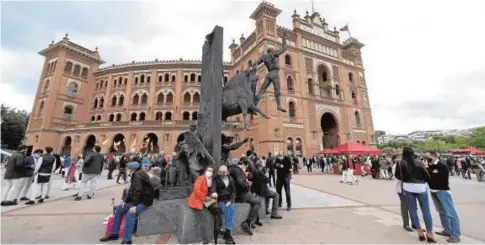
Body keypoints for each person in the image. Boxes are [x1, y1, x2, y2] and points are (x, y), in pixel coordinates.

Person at [100, 161, 155, 244]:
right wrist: (125, 200)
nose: (128, 171)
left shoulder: (138, 175)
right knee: (119, 209)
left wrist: (134, 206)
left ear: (132, 169)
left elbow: (137, 191)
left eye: (129, 169)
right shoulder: (136, 174)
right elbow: (131, 190)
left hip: (144, 201)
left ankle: (127, 240)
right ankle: (114, 234)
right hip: (137, 200)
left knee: (130, 213)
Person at [397, 147, 435, 243]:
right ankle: (430, 233)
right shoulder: (419, 162)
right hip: (420, 187)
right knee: (425, 210)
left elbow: (397, 175)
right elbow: (427, 176)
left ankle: (419, 231)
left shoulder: (401, 163)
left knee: (412, 209)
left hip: (408, 187)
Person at [425, 151, 461, 243]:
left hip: (442, 191)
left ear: (433, 156)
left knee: (450, 213)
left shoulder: (442, 166)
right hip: (433, 191)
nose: (425, 158)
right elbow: (427, 176)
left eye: (427, 157)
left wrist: (430, 171)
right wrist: (429, 170)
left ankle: (455, 234)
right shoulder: (430, 166)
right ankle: (447, 230)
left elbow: (439, 179)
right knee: (441, 212)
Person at [255, 34, 288, 112]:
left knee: (262, 90)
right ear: (272, 50)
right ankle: (279, 105)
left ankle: (255, 103)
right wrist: (283, 39)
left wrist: (253, 69)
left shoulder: (264, 57)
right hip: (274, 73)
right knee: (277, 90)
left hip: (268, 74)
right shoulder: (275, 53)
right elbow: (284, 48)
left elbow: (256, 63)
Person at [229, 160, 261, 235]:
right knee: (258, 202)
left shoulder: (234, 169)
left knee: (257, 200)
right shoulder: (237, 170)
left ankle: (253, 221)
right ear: (244, 164)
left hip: (239, 193)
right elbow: (241, 183)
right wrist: (248, 184)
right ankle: (248, 221)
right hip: (241, 194)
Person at [188, 166, 217, 244]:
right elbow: (196, 190)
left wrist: (212, 196)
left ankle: (218, 224)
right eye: (208, 170)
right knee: (203, 221)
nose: (210, 172)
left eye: (211, 171)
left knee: (215, 203)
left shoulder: (208, 180)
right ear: (205, 171)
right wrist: (205, 198)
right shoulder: (201, 178)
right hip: (196, 202)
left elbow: (207, 192)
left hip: (203, 201)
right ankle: (206, 241)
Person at [210, 165, 237, 244]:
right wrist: (214, 192)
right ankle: (228, 234)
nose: (222, 173)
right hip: (221, 200)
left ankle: (227, 234)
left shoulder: (231, 179)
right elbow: (213, 188)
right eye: (220, 172)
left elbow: (233, 192)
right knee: (228, 211)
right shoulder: (216, 178)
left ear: (227, 172)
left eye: (224, 172)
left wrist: (231, 201)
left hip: (229, 200)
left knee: (231, 208)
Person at [393, 154, 414, 232]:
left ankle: (414, 223)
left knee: (412, 206)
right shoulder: (396, 166)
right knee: (405, 206)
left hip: (410, 188)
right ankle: (406, 224)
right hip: (402, 188)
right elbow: (398, 177)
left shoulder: (408, 165)